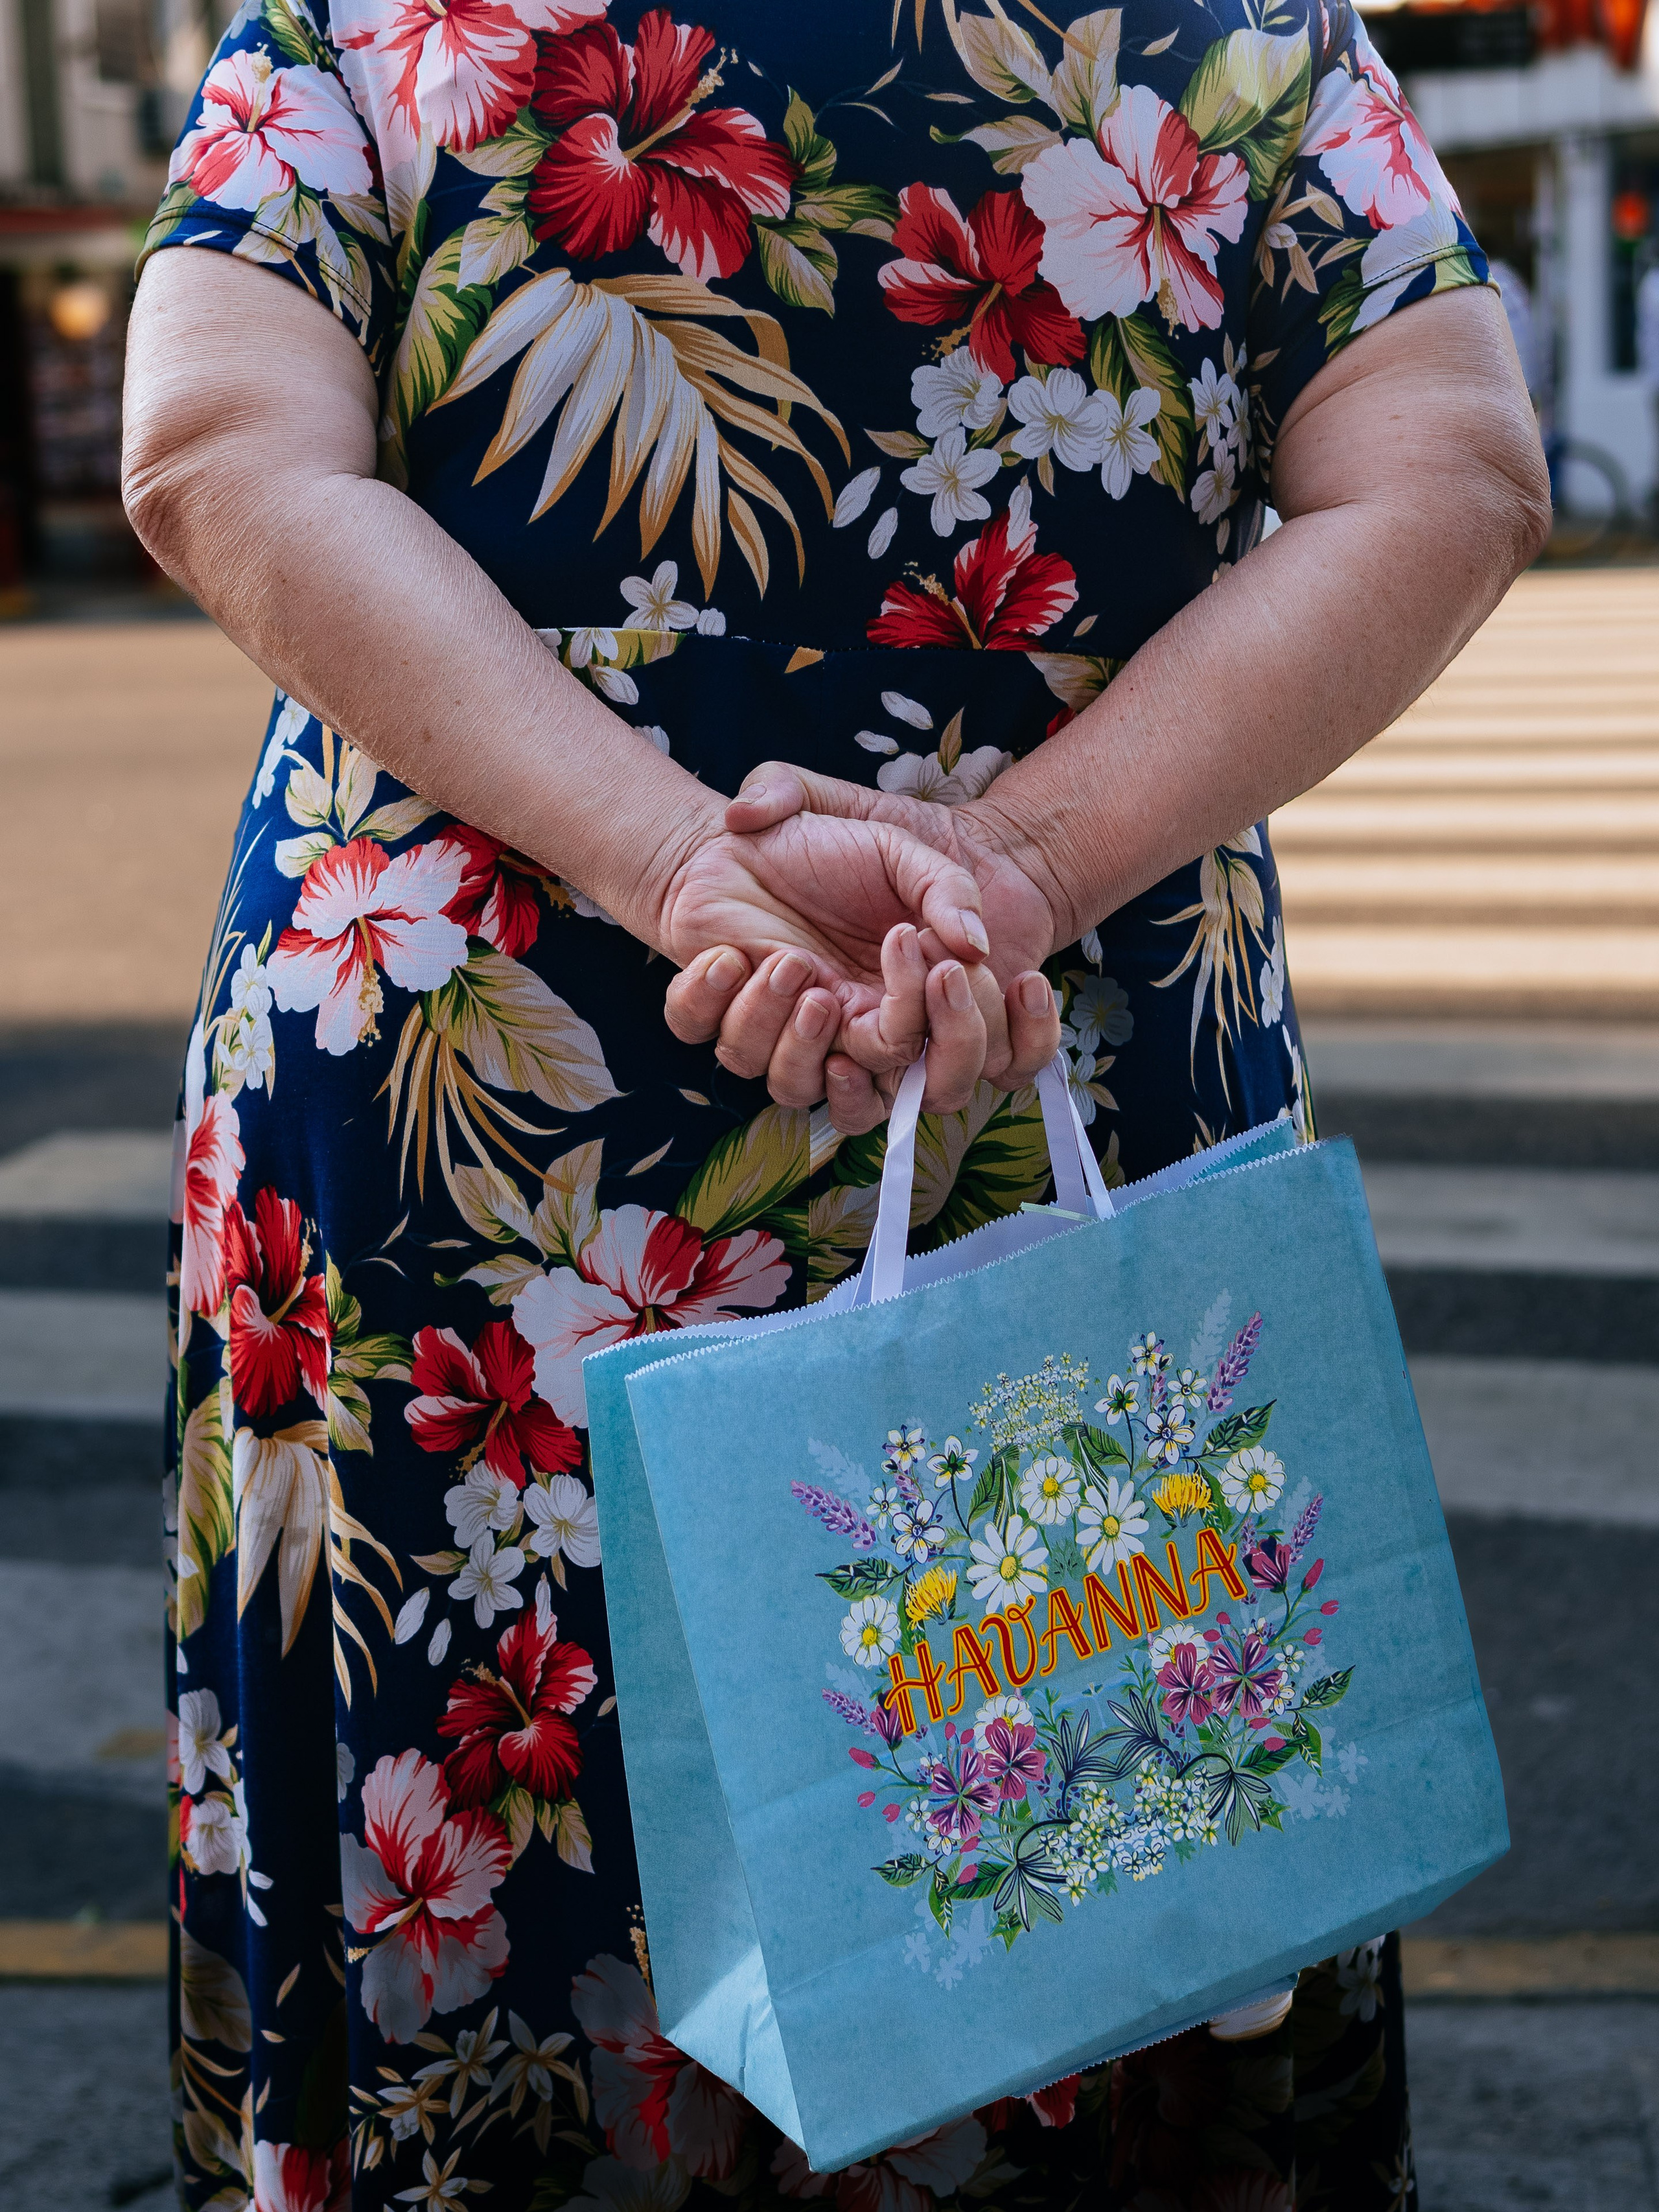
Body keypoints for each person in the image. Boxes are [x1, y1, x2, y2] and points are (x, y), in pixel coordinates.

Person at [122, 3, 1547, 2206]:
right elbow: (1449, 461)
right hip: (1043, 1054)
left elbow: (217, 446)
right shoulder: (1231, 21)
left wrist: (674, 860)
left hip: (486, 1136)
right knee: (1105, 1771)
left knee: (502, 1860)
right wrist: (1021, 868)